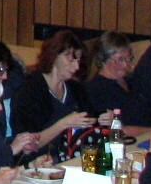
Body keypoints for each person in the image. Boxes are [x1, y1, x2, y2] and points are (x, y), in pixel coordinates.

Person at [9, 30, 93, 160]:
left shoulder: (76, 89)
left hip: (72, 158)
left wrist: (101, 119)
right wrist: (63, 124)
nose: (77, 67)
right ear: (54, 56)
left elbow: (88, 120)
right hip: (40, 162)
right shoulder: (29, 92)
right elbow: (27, 147)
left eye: (78, 61)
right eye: (71, 60)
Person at [82, 31, 133, 124]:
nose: (125, 64)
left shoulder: (131, 81)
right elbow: (115, 128)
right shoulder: (95, 90)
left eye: (128, 58)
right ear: (103, 60)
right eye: (120, 59)